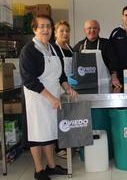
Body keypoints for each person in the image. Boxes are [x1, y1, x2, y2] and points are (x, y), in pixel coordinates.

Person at [19, 15, 77, 180]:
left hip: (53, 98)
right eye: (42, 26)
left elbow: (61, 75)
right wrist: (50, 98)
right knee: (37, 135)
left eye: (48, 27)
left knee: (50, 133)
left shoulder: (52, 49)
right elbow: (29, 80)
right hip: (37, 99)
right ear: (35, 29)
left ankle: (51, 166)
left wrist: (67, 87)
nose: (46, 29)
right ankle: (39, 171)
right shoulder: (29, 50)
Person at [73, 20, 120, 87]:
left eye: (94, 28)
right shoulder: (79, 46)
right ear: (84, 30)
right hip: (84, 83)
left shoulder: (107, 44)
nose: (92, 30)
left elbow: (113, 62)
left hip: (103, 82)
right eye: (89, 28)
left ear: (99, 30)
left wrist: (114, 76)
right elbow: (75, 66)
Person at [53, 20, 73, 159]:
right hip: (59, 88)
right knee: (59, 118)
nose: (65, 33)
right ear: (55, 33)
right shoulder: (53, 49)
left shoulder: (70, 48)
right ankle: (59, 148)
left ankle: (69, 145)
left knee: (69, 117)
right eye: (62, 31)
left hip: (70, 87)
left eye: (67, 31)